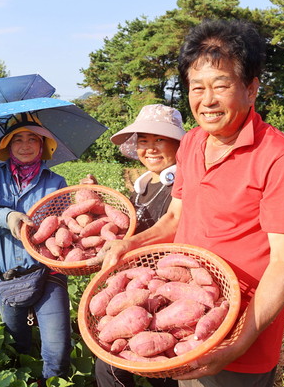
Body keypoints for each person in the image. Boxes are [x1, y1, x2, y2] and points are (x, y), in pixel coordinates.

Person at [101, 19, 284, 387]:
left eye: (221, 85)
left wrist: (238, 343)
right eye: (196, 87)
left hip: (239, 337)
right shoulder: (191, 143)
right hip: (186, 319)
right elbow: (175, 216)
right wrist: (130, 242)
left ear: (251, 89)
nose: (207, 100)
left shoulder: (283, 161)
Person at [84, 104, 185, 387]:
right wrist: (95, 199)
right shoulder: (142, 187)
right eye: (143, 141)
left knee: (158, 368)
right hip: (136, 285)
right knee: (125, 365)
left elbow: (172, 225)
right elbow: (127, 224)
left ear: (178, 144)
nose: (150, 148)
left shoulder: (180, 186)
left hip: (164, 289)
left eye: (159, 140)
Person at [0, 114, 71, 383]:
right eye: (18, 139)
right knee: (19, 345)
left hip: (49, 271)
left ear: (42, 145)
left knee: (58, 348)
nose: (25, 145)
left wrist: (87, 198)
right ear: (8, 145)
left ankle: (51, 381)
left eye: (33, 139)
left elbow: (69, 225)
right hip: (9, 274)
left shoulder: (55, 182)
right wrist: (7, 216)